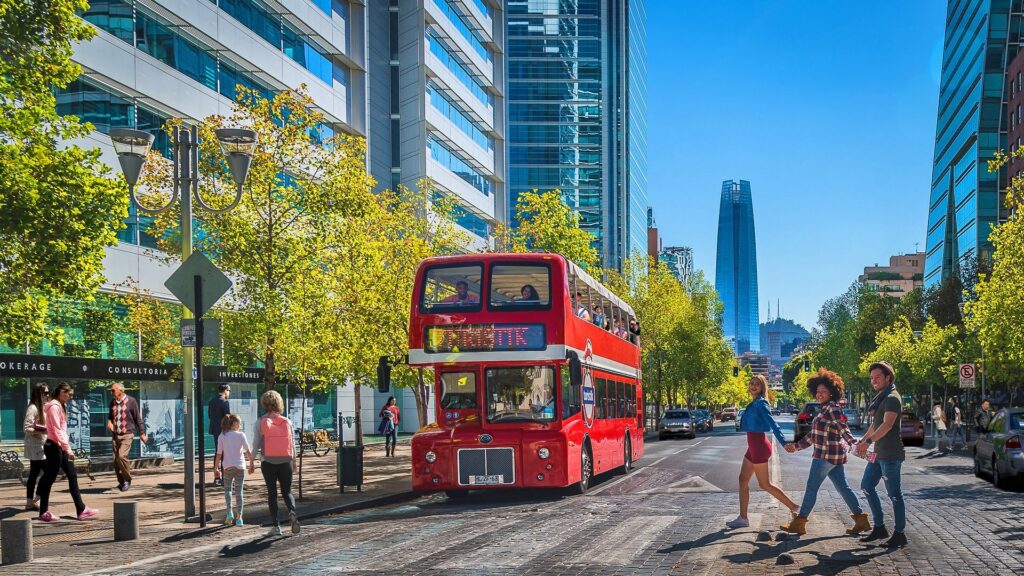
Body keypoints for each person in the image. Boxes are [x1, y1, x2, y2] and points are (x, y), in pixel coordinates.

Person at [781, 369, 869, 536]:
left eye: (824, 391)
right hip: (835, 457)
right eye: (818, 391)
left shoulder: (832, 408)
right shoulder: (824, 409)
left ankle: (799, 523)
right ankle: (861, 520)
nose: (820, 394)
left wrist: (855, 443)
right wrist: (796, 446)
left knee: (811, 488)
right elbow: (814, 435)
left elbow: (843, 428)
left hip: (825, 457)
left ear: (832, 392)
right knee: (843, 488)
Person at [727, 375, 800, 528]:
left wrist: (784, 442)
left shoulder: (761, 403)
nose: (753, 386)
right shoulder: (754, 403)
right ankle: (743, 518)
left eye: (757, 384)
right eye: (751, 383)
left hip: (759, 446)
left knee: (765, 484)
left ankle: (795, 508)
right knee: (742, 480)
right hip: (753, 446)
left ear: (762, 388)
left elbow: (773, 424)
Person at [855, 361, 907, 548]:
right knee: (867, 486)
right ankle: (879, 527)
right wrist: (863, 440)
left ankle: (899, 534)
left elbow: (887, 425)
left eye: (878, 377)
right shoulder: (882, 398)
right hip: (879, 454)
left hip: (891, 455)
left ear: (888, 377)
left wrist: (868, 442)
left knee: (894, 494)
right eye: (872, 378)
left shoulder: (892, 397)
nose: (874, 381)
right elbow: (876, 425)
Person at [36, 383, 99, 522]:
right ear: (60, 392)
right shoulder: (53, 407)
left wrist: (65, 447)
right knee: (49, 478)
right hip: (53, 446)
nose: (70, 397)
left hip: (58, 446)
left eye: (71, 394)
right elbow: (57, 430)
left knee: (72, 475)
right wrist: (68, 448)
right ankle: (43, 512)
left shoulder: (60, 406)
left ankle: (81, 509)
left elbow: (60, 430)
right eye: (68, 394)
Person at [253, 390, 299, 536]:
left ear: (264, 404)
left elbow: (256, 444)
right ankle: (292, 511)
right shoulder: (287, 421)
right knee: (287, 491)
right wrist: (294, 461)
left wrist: (251, 460)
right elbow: (292, 444)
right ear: (279, 403)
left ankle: (276, 526)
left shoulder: (260, 422)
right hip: (286, 460)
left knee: (272, 493)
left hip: (268, 461)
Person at [213, 413, 254, 527]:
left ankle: (229, 512)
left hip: (227, 467)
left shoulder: (222, 436)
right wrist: (251, 463)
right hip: (240, 467)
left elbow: (219, 454)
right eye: (239, 423)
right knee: (239, 492)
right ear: (235, 424)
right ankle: (239, 518)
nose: (240, 425)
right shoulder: (241, 435)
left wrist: (215, 468)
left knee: (227, 490)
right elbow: (247, 451)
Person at [107, 382, 146, 492]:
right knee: (116, 460)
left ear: (120, 390)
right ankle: (121, 482)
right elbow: (110, 417)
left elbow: (138, 418)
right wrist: (109, 423)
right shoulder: (113, 402)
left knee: (122, 456)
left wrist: (142, 433)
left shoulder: (131, 401)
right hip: (115, 435)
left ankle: (128, 479)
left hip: (127, 434)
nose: (111, 392)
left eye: (113, 390)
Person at [23, 383, 49, 511]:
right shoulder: (33, 408)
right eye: (45, 393)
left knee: (34, 473)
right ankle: (36, 499)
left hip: (39, 444)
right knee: (48, 471)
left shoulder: (41, 408)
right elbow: (27, 428)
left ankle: (30, 502)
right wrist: (43, 430)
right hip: (35, 445)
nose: (47, 396)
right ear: (39, 394)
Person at [208, 384, 231, 487]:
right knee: (225, 454)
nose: (229, 393)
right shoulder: (225, 402)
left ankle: (217, 477)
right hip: (224, 431)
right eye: (229, 391)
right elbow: (227, 418)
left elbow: (209, 416)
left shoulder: (212, 402)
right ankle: (224, 478)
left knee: (218, 453)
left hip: (215, 430)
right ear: (225, 390)